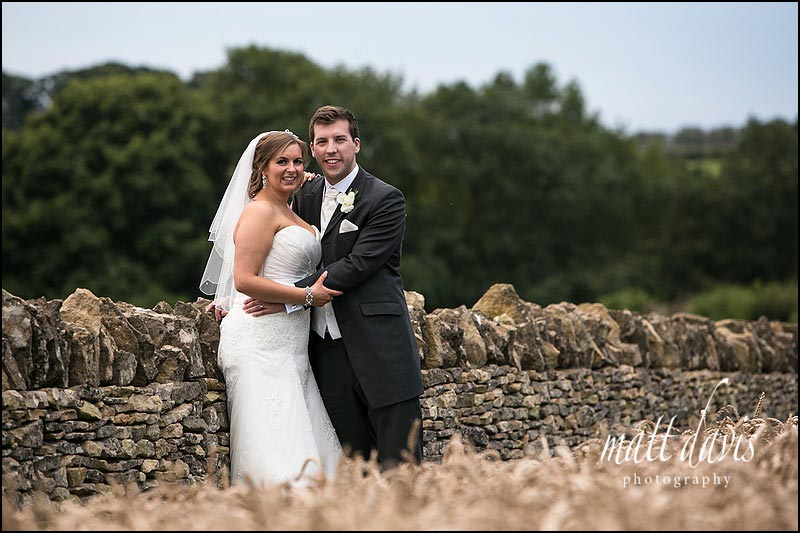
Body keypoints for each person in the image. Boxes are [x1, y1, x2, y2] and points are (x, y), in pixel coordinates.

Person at [240, 106, 425, 468]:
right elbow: (265, 246)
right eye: (322, 142)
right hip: (324, 354)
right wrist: (234, 300)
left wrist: (294, 297)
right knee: (353, 467)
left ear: (356, 144)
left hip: (380, 348)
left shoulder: (385, 199)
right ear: (313, 147)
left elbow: (358, 265)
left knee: (400, 467)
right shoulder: (302, 196)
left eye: (340, 140)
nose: (331, 149)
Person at [199, 130, 343, 486]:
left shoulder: (288, 207)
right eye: (282, 162)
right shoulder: (260, 212)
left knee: (303, 436)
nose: (292, 168)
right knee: (275, 444)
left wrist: (302, 179)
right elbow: (245, 279)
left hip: (291, 342)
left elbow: (274, 268)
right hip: (259, 339)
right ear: (261, 166)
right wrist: (307, 297)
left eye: (297, 161)